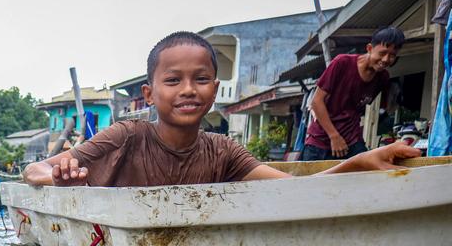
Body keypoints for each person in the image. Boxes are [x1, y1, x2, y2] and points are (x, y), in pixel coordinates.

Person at [23, 31, 418, 188]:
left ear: (215, 90)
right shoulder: (127, 135)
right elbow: (33, 170)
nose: (188, 91)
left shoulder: (223, 151)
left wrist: (361, 161)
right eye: (173, 80)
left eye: (201, 79)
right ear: (149, 91)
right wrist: (60, 174)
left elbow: (294, 190)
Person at [304, 27, 405, 160]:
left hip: (352, 141)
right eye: (382, 53)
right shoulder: (342, 63)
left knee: (365, 174)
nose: (386, 59)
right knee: (312, 180)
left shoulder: (382, 77)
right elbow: (316, 102)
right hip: (320, 141)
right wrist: (334, 136)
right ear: (369, 48)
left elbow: (358, 109)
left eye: (392, 55)